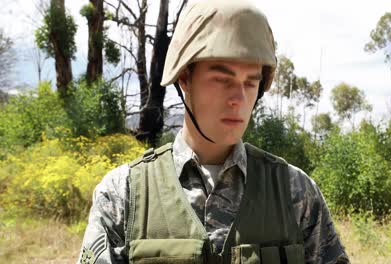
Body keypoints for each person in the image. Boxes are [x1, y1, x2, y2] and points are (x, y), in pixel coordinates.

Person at [77, 0, 349, 263]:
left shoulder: (296, 193)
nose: (239, 99)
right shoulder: (124, 195)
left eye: (250, 83)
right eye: (222, 80)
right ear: (184, 77)